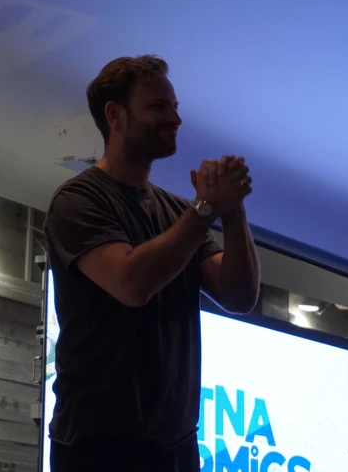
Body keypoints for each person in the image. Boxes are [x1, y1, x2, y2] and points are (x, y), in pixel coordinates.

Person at [43, 55, 261, 472]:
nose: (175, 118)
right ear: (115, 116)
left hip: (176, 444)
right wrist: (204, 209)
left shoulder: (180, 213)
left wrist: (232, 211)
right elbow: (131, 284)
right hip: (98, 445)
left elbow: (238, 296)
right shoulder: (78, 201)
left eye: (175, 106)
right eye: (159, 106)